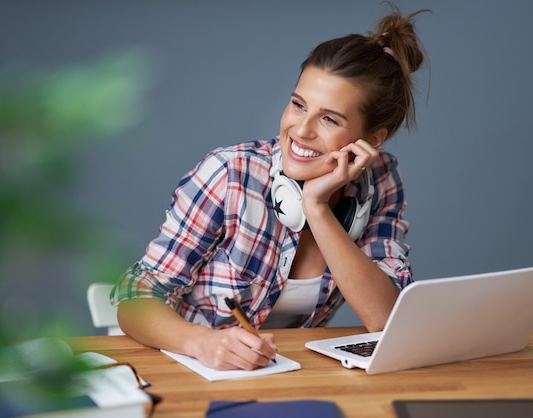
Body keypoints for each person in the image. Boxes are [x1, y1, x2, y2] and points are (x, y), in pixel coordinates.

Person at [115, 5, 428, 371]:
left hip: (294, 377)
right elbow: (133, 298)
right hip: (195, 371)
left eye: (329, 119)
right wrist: (202, 343)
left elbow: (385, 318)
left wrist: (317, 207)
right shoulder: (231, 173)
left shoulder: (381, 181)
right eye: (298, 105)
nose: (302, 130)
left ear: (371, 141)